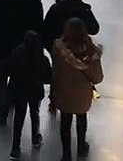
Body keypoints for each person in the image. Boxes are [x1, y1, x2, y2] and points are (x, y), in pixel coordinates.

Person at [51, 18, 104, 161]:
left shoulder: (59, 49)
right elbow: (98, 78)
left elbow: (55, 72)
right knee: (81, 118)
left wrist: (54, 90)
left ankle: (66, 154)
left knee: (65, 122)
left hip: (64, 92)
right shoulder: (92, 52)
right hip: (83, 94)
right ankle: (81, 147)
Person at [5, 30, 52, 159]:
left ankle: (15, 147)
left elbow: (8, 69)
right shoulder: (42, 58)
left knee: (18, 118)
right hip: (35, 90)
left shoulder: (17, 53)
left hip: (19, 90)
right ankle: (35, 137)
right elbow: (48, 78)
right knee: (34, 113)